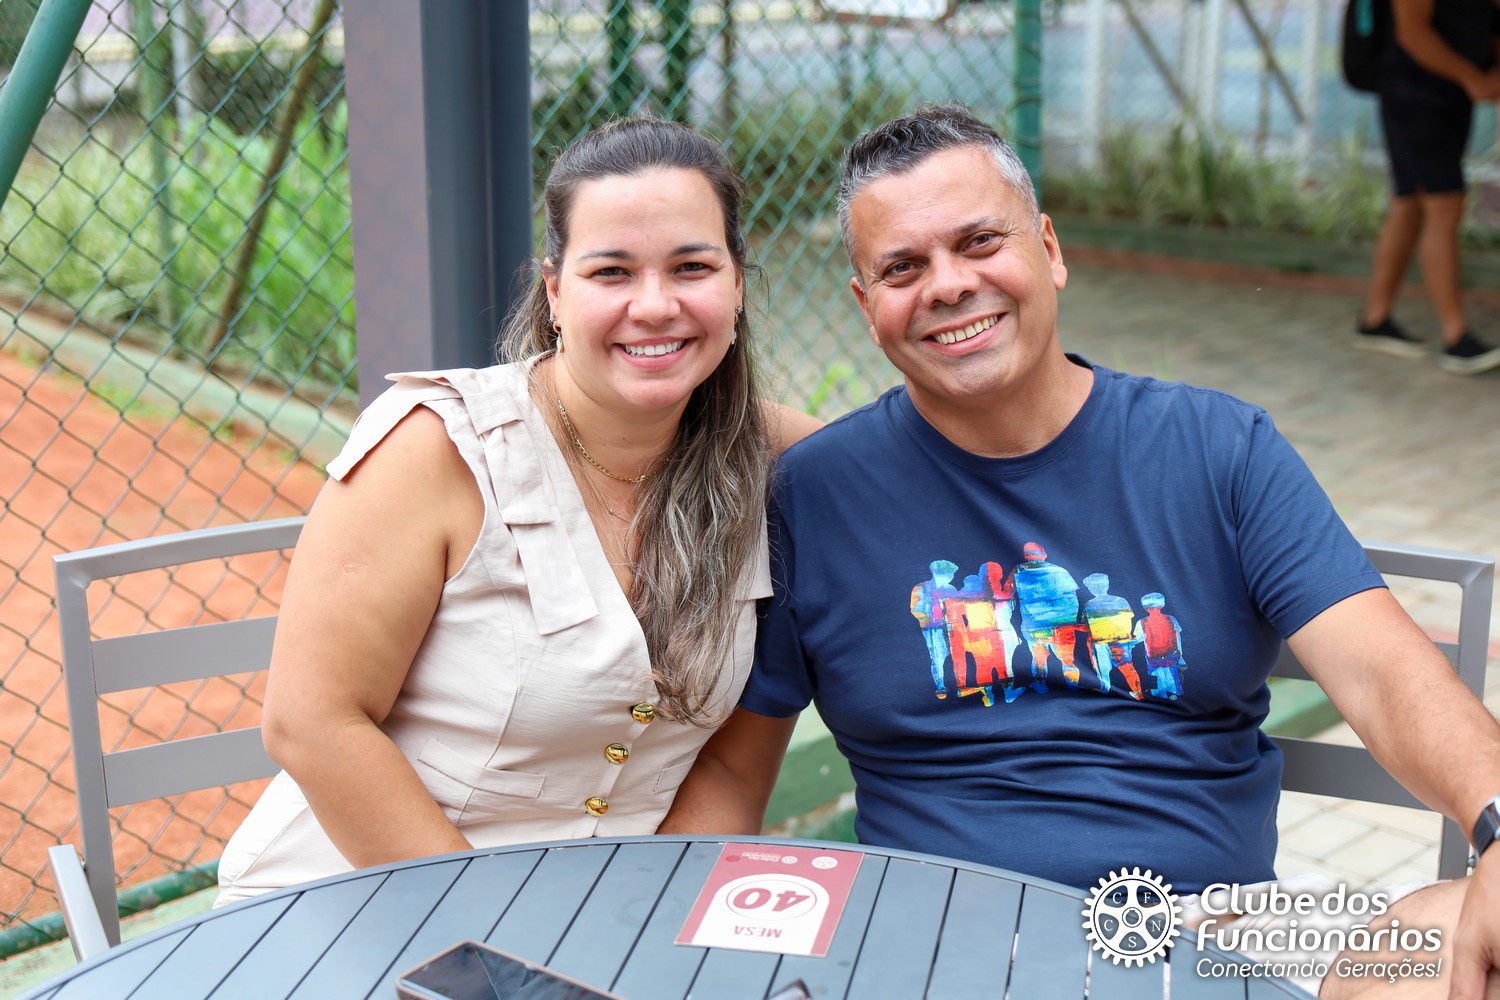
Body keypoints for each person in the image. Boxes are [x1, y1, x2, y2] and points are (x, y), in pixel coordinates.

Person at [661, 104, 1500, 998]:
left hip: (1214, 940)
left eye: (980, 242)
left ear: (1049, 250)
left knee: (1444, 942)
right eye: (902, 267)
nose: (948, 285)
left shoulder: (1218, 450)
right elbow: (734, 770)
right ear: (869, 309)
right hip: (933, 948)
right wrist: (650, 937)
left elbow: (1385, 672)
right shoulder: (813, 496)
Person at [216, 116, 820, 904]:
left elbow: (732, 767)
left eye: (692, 267)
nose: (654, 304)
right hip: (361, 898)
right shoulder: (435, 448)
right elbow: (312, 723)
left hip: (605, 917)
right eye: (611, 272)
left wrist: (650, 925)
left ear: (736, 284)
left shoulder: (781, 461)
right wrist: (504, 948)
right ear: (555, 291)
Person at [1355, 0, 1500, 375]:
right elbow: (1412, 32)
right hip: (1413, 93)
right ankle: (1457, 337)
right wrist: (1473, 78)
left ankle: (1375, 319)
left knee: (1409, 204)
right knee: (1445, 203)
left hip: (1451, 95)